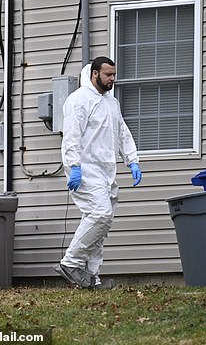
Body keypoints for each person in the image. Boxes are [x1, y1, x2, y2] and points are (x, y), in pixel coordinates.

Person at [55, 56, 142, 289]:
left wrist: (132, 160)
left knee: (100, 225)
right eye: (108, 75)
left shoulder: (110, 102)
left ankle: (92, 278)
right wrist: (74, 167)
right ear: (95, 74)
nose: (113, 79)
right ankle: (70, 263)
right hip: (85, 168)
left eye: (114, 74)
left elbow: (121, 131)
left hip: (107, 169)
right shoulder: (79, 100)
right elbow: (71, 136)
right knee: (100, 214)